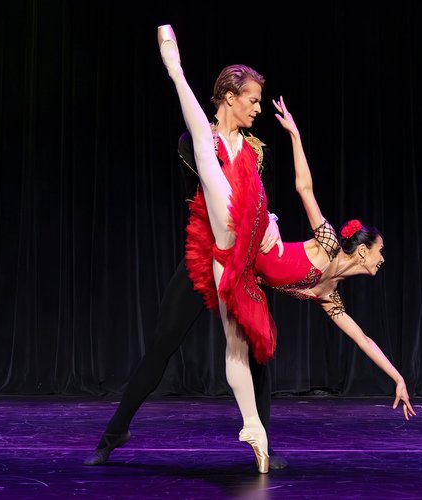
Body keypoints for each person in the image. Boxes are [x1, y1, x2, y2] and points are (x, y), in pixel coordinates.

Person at [158, 24, 416, 474]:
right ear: (362, 249)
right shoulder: (328, 243)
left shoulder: (327, 296)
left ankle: (254, 429)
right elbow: (304, 187)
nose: (382, 260)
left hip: (238, 262)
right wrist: (295, 136)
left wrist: (397, 377)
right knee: (203, 146)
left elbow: (363, 339)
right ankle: (175, 70)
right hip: (248, 225)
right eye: (380, 252)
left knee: (236, 345)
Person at [82, 52, 287, 470]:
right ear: (229, 97)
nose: (257, 107)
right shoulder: (193, 141)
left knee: (256, 351)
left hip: (241, 259)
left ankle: (263, 441)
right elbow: (213, 199)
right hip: (205, 255)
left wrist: (273, 222)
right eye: (252, 99)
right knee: (161, 347)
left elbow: (259, 201)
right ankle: (113, 433)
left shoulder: (256, 149)